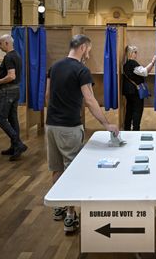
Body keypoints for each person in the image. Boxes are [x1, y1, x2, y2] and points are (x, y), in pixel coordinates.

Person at [45, 34, 120, 233]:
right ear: (83, 47)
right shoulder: (81, 70)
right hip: (69, 127)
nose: (89, 53)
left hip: (51, 125)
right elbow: (90, 100)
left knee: (56, 168)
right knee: (72, 171)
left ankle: (58, 206)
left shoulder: (55, 67)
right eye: (89, 49)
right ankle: (70, 215)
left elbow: (47, 96)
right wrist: (106, 124)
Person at [0, 34, 27, 161]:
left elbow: (11, 76)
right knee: (13, 119)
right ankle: (14, 147)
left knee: (1, 119)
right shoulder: (17, 55)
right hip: (15, 90)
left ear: (6, 43)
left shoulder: (9, 57)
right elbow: (11, 76)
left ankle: (18, 144)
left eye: (0, 43)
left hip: (7, 92)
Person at [122, 45, 156, 131]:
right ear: (130, 53)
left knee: (129, 110)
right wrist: (153, 62)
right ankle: (136, 130)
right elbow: (144, 72)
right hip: (135, 91)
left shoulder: (125, 64)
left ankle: (127, 129)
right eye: (135, 52)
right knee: (137, 111)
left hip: (128, 91)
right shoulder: (132, 63)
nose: (136, 54)